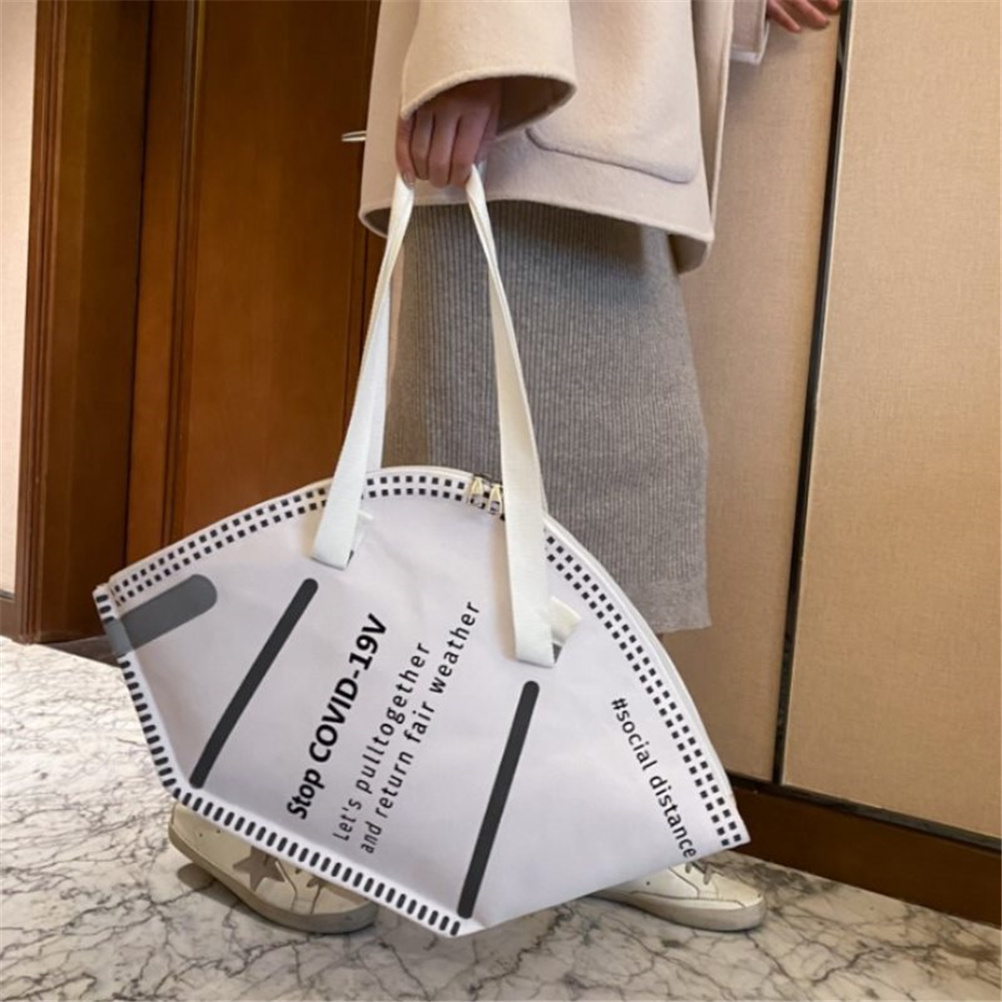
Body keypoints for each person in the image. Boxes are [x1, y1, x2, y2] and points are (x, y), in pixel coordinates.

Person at [169, 0, 839, 935]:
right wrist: (476, 45)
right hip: (523, 106)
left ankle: (589, 814)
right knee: (459, 513)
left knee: (632, 488)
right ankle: (248, 808)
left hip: (620, 117)